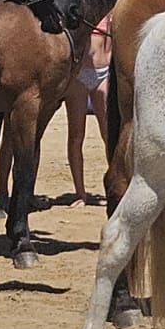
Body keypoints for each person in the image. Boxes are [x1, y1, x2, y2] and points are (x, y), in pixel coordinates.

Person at [66, 14, 112, 207]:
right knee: (77, 134)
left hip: (103, 72)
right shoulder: (83, 10)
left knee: (108, 134)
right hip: (80, 74)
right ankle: (80, 193)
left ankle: (114, 184)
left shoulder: (110, 12)